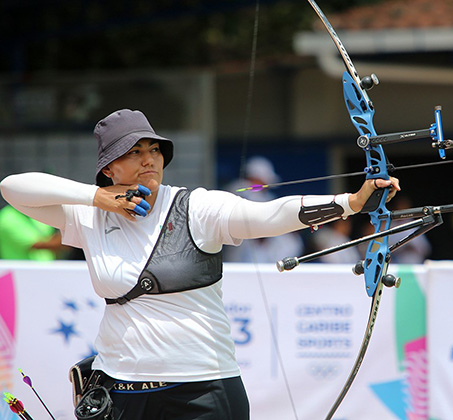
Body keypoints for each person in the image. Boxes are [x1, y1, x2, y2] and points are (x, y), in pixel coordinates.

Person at [0, 109, 400, 420]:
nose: (148, 160)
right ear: (109, 168)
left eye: (153, 150)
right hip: (120, 387)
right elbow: (13, 188)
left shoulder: (197, 207)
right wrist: (97, 198)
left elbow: (268, 216)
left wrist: (348, 202)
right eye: (133, 152)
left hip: (202, 389)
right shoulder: (88, 216)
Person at [224, 157, 304, 263]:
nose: (266, 185)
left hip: (257, 250)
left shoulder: (264, 194)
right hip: (241, 248)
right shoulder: (239, 188)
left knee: (288, 240)